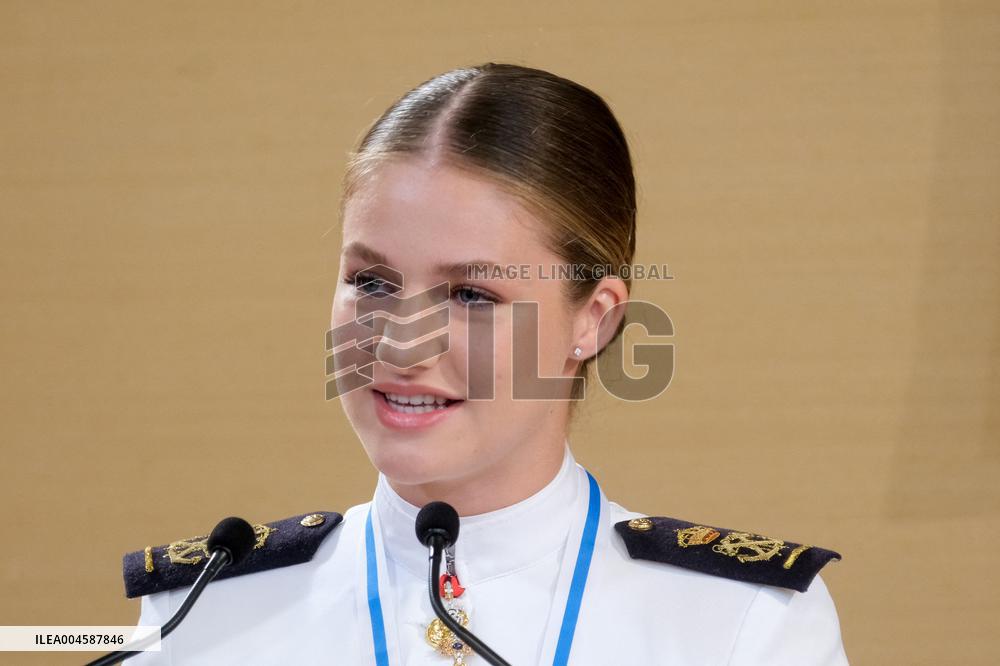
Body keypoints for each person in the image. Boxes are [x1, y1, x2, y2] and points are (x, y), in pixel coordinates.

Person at [121, 62, 849, 665]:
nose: (400, 344)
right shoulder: (198, 615)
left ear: (593, 319)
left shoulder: (743, 625)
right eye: (370, 282)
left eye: (471, 294)